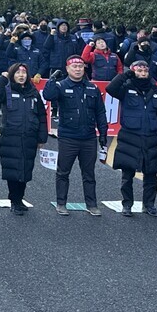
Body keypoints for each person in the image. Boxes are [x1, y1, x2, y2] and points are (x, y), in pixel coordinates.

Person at [42, 55, 108, 216]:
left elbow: (100, 112)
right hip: (68, 137)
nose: (78, 69)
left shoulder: (92, 88)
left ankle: (91, 204)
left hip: (89, 137)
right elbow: (48, 96)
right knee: (63, 172)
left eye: (80, 66)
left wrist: (103, 134)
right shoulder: (61, 86)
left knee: (89, 173)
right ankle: (61, 203)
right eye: (74, 67)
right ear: (67, 69)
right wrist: (51, 79)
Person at [106, 60, 157, 217]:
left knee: (151, 174)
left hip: (150, 137)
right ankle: (127, 204)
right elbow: (110, 89)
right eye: (139, 71)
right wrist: (124, 75)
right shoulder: (127, 88)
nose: (142, 74)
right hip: (129, 135)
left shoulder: (156, 90)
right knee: (127, 175)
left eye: (145, 71)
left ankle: (149, 205)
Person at [0, 63, 48, 215]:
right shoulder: (6, 90)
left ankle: (20, 197)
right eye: (18, 73)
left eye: (24, 73)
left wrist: (42, 137)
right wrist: (3, 78)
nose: (21, 75)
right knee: (13, 170)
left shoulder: (33, 92)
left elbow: (41, 115)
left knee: (25, 169)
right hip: (11, 136)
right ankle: (14, 200)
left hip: (29, 136)